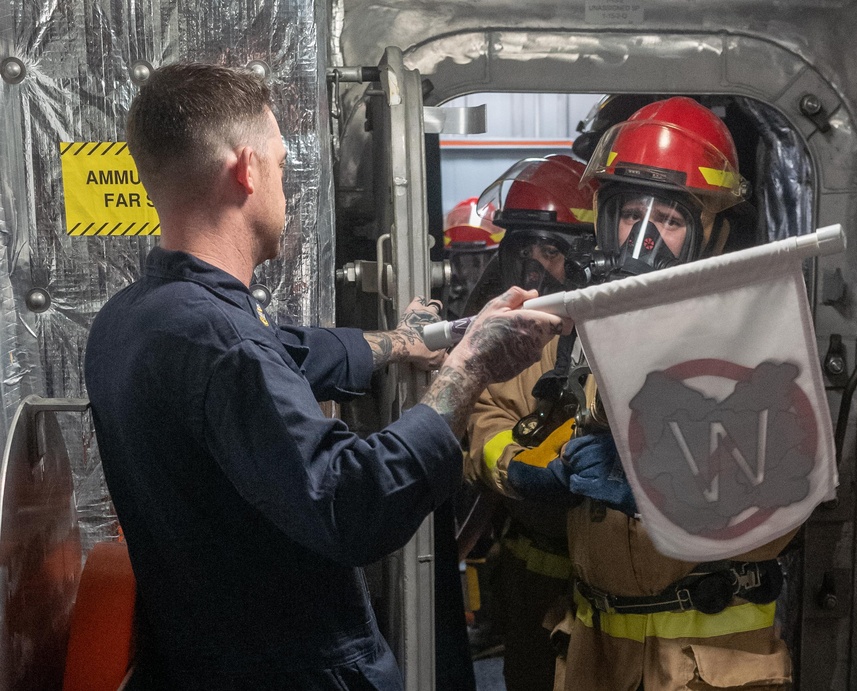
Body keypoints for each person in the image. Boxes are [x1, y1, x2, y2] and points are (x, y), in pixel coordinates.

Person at [83, 62, 566, 690]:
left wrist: (399, 343)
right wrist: (467, 371)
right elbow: (353, 503)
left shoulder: (132, 320)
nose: (285, 188)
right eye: (282, 166)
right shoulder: (224, 347)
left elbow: (288, 350)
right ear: (246, 170)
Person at [492, 98, 794, 689]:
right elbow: (498, 413)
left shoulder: (752, 338)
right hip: (594, 657)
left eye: (671, 221)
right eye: (632, 214)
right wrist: (530, 468)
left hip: (707, 667)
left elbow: (785, 492)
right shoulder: (578, 331)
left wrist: (662, 484)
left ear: (712, 232)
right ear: (605, 220)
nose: (645, 238)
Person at [465, 155, 598, 691]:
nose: (534, 267)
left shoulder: (620, 327)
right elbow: (481, 413)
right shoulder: (507, 334)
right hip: (530, 579)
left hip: (609, 587)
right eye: (522, 249)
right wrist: (516, 466)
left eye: (551, 249)